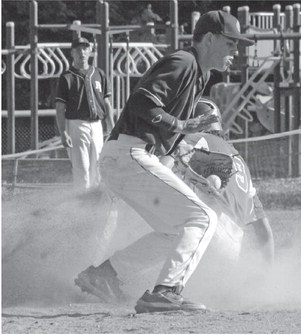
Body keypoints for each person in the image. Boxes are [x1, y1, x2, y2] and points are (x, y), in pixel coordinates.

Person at [75, 11, 254, 313]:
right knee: (203, 218)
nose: (235, 52)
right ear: (210, 39)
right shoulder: (184, 62)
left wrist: (174, 153)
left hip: (130, 157)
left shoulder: (201, 73)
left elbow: (166, 128)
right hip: (130, 154)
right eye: (230, 43)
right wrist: (182, 125)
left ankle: (104, 276)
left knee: (176, 230)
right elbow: (141, 102)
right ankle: (166, 290)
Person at [74, 98, 274, 307]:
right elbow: (264, 232)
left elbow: (164, 166)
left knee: (189, 223)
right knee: (176, 228)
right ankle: (108, 274)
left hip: (215, 238)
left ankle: (156, 288)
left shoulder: (197, 139)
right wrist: (266, 279)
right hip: (232, 250)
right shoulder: (240, 162)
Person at [55, 37, 115, 191]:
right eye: (78, 49)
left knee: (98, 166)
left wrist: (112, 127)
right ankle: (81, 206)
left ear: (90, 51)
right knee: (82, 168)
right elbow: (60, 108)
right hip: (76, 124)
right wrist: (63, 132)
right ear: (72, 53)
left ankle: (96, 203)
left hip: (96, 125)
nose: (82, 52)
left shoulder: (99, 74)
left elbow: (106, 103)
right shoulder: (66, 77)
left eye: (85, 48)